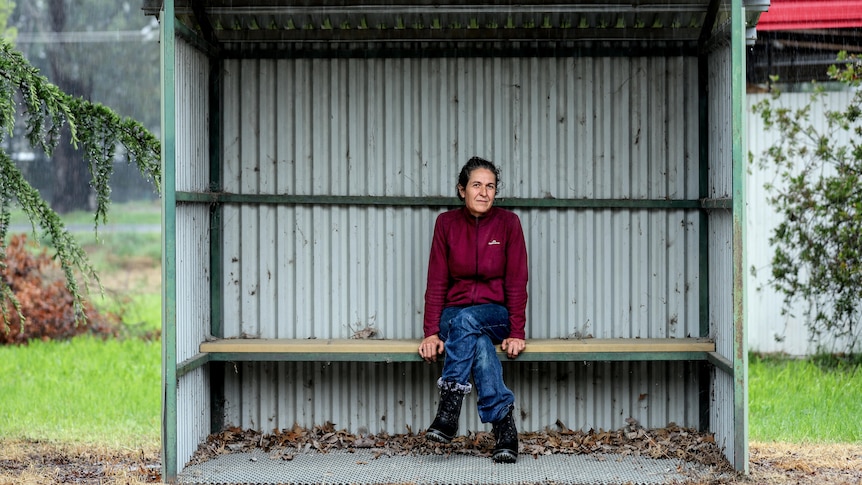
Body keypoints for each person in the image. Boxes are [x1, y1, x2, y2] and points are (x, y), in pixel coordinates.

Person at [418, 156, 529, 463]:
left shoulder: (508, 224)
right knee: (476, 341)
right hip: (454, 315)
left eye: (490, 186)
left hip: (495, 315)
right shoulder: (446, 225)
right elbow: (437, 281)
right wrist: (430, 333)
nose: (484, 192)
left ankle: (449, 410)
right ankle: (505, 428)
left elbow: (517, 282)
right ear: (461, 189)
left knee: (471, 323)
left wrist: (517, 332)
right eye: (476, 185)